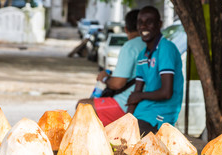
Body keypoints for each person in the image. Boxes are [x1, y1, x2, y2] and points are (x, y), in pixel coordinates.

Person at [76, 9, 146, 126]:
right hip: (145, 103)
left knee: (82, 106)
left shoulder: (130, 46)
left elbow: (117, 83)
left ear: (126, 29)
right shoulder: (152, 45)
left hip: (125, 104)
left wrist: (104, 79)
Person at [127, 6, 184, 136]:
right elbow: (136, 93)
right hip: (143, 110)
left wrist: (139, 96)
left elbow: (166, 93)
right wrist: (125, 120)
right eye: (140, 22)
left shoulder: (166, 49)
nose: (143, 26)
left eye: (149, 22)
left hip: (162, 112)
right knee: (119, 135)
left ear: (159, 24)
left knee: (136, 135)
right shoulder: (142, 55)